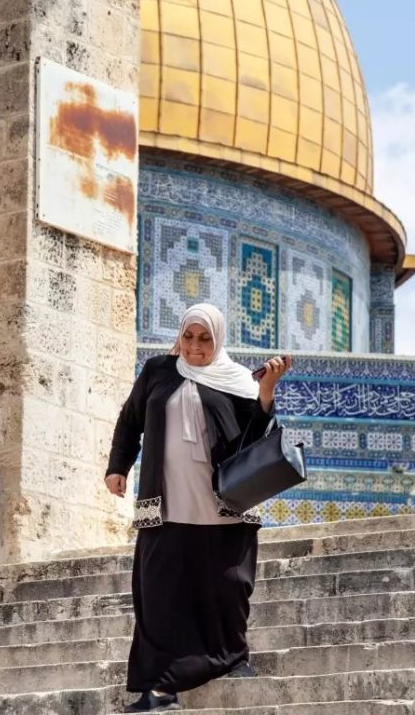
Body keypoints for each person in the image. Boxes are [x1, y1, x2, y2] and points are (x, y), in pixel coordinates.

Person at [105, 303, 292, 712]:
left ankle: (231, 657)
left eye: (204, 338)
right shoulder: (158, 371)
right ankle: (158, 684)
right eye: (188, 336)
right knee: (159, 592)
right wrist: (118, 466)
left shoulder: (239, 380)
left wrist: (265, 394)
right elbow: (130, 419)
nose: (194, 346)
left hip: (223, 502)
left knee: (226, 586)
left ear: (218, 339)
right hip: (166, 500)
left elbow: (255, 439)